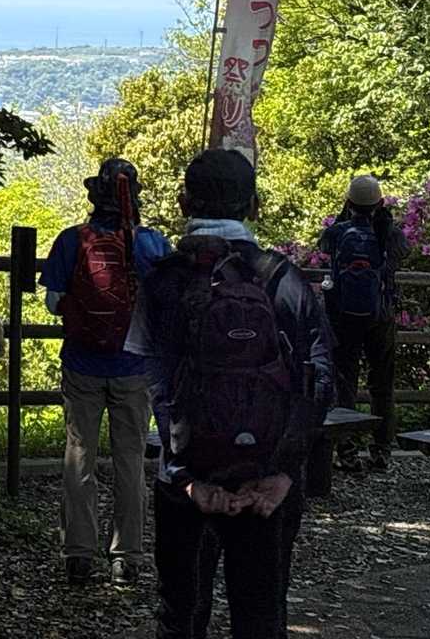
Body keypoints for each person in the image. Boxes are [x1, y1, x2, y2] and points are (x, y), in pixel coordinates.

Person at [144, 148, 334, 639]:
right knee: (261, 613)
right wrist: (284, 474)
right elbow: (320, 379)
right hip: (266, 476)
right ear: (254, 205)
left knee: (180, 612)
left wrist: (185, 477)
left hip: (188, 479)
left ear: (184, 203)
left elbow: (155, 382)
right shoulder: (282, 278)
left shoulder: (165, 280)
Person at [40, 157, 171, 587]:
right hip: (134, 367)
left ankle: (78, 554)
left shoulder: (72, 240)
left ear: (94, 194)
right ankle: (126, 557)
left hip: (82, 364)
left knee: (79, 454)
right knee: (130, 459)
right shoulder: (152, 243)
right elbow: (167, 305)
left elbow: (53, 302)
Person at [318, 174, 408, 472]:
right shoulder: (390, 234)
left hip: (343, 316)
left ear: (349, 202)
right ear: (380, 203)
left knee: (345, 381)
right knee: (382, 383)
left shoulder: (337, 232)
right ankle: (381, 451)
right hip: (381, 316)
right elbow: (404, 252)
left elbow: (323, 246)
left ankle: (347, 451)